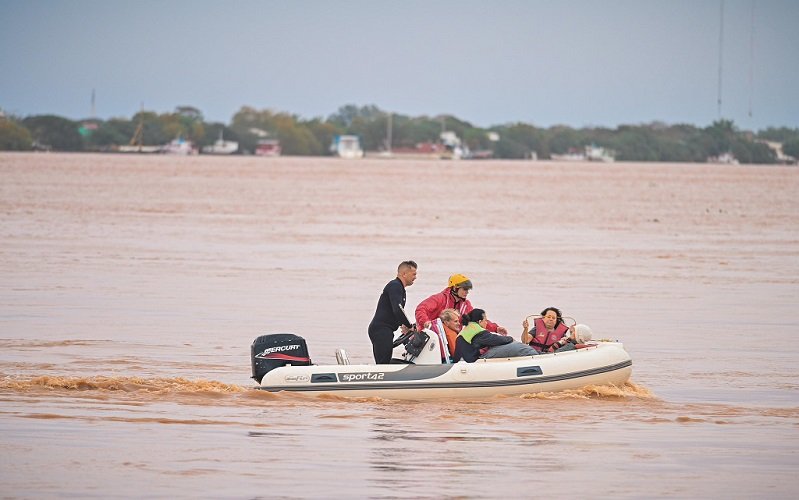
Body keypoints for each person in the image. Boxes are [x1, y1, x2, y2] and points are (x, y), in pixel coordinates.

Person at [415, 273, 508, 335]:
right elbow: (421, 309)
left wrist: (496, 328)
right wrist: (426, 322)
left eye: (468, 290)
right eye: (464, 289)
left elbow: (477, 320)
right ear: (455, 288)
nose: (467, 292)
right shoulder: (439, 298)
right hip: (431, 336)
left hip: (449, 337)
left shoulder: (466, 305)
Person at [368, 260, 417, 364]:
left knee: (384, 361)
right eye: (414, 274)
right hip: (381, 329)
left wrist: (404, 325)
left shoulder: (400, 288)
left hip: (385, 330)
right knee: (383, 363)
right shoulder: (395, 286)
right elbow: (398, 309)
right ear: (404, 274)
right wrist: (408, 325)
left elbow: (396, 311)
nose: (415, 277)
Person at [454, 309, 539, 363]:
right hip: (471, 361)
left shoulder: (468, 329)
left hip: (464, 359)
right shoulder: (477, 331)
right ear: (479, 321)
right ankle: (536, 359)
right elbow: (496, 340)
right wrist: (510, 338)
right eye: (485, 320)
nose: (486, 322)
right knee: (518, 347)